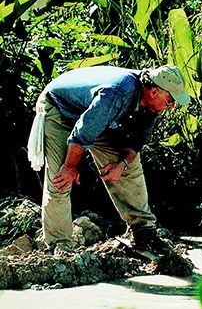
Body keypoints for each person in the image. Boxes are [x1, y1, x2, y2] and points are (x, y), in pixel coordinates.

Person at [27, 64, 190, 253]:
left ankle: (143, 231)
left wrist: (122, 164)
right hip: (60, 108)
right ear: (154, 92)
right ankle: (59, 245)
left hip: (95, 116)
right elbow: (83, 133)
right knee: (60, 179)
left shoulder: (152, 107)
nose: (171, 107)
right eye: (170, 101)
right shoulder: (117, 92)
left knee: (128, 165)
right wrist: (71, 166)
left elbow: (136, 143)